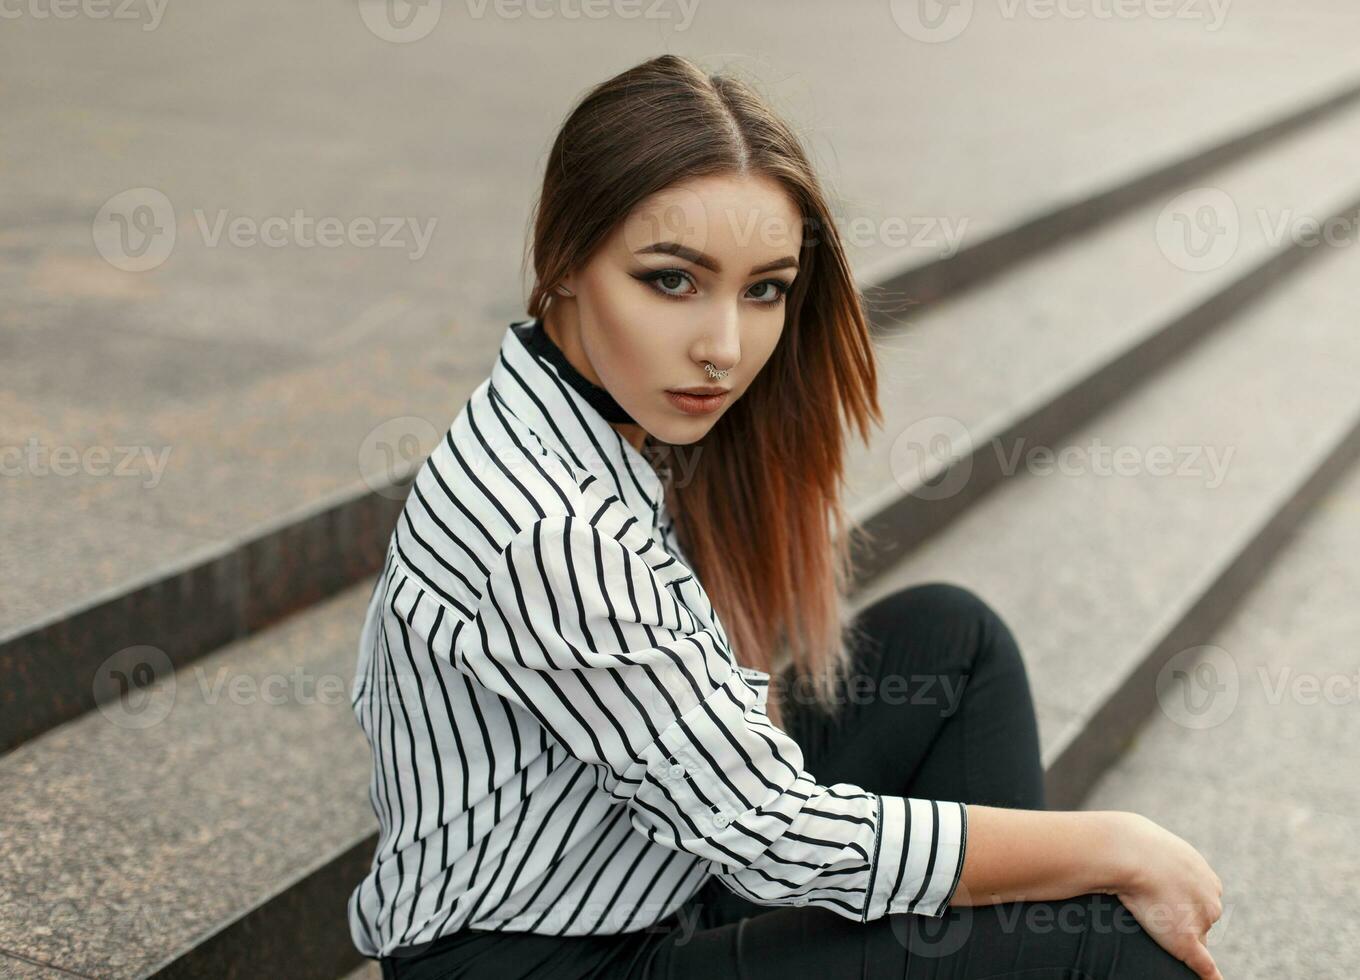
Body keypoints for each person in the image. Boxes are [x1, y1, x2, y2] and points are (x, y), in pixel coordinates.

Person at [348, 53, 1224, 980]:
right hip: (547, 964)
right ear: (564, 260)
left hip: (646, 879)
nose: (724, 348)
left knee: (951, 642)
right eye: (672, 281)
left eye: (762, 289)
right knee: (1104, 946)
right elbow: (771, 830)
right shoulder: (551, 532)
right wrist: (1113, 845)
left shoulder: (581, 415)